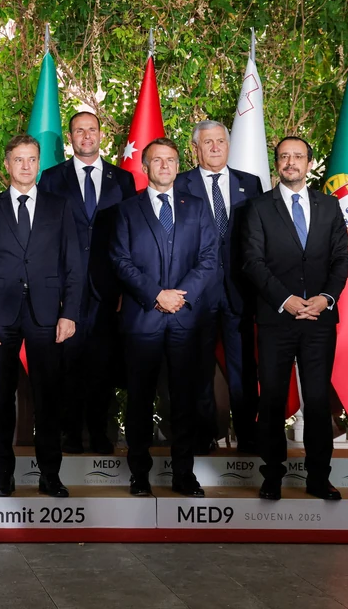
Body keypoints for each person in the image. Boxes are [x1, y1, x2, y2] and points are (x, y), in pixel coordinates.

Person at [0, 134, 83, 498]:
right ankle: (3, 474)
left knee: (48, 398)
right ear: (7, 165)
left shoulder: (59, 207)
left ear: (39, 163)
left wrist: (70, 313)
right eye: (18, 159)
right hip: (0, 318)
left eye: (32, 159)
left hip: (47, 316)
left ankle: (50, 475)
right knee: (2, 399)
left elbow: (73, 265)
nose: (25, 166)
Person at [242, 136, 348, 501]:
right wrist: (286, 300)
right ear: (277, 163)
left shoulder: (330, 206)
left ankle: (319, 478)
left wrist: (325, 299)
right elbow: (252, 262)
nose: (291, 162)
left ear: (309, 163)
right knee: (272, 401)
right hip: (276, 319)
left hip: (319, 320)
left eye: (298, 156)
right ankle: (272, 476)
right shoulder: (258, 207)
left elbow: (342, 258)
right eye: (284, 157)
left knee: (318, 402)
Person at [112, 138, 219, 497]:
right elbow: (120, 261)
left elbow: (209, 258)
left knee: (184, 400)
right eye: (157, 160)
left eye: (171, 160)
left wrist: (178, 296)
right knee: (140, 400)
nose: (164, 166)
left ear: (178, 165)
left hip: (186, 319)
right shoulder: (127, 210)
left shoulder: (198, 208)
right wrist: (157, 295)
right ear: (145, 167)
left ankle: (183, 475)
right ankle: (139, 475)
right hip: (143, 319)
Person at [38, 110, 135, 455]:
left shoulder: (122, 180)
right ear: (71, 138)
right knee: (68, 362)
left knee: (103, 364)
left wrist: (125, 287)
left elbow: (131, 236)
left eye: (91, 130)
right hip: (66, 286)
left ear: (100, 135)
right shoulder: (51, 178)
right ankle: (70, 433)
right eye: (79, 131)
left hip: (109, 288)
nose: (86, 136)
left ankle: (99, 431)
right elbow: (44, 235)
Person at [174, 120, 264, 454]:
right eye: (207, 142)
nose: (215, 147)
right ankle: (204, 435)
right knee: (198, 366)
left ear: (228, 145)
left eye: (220, 141)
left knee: (244, 366)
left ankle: (248, 435)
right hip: (196, 291)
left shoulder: (250, 183)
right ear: (195, 148)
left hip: (239, 290)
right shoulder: (180, 184)